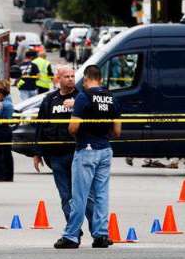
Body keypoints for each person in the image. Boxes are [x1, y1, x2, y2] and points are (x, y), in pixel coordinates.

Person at [54, 65, 121, 249]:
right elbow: (117, 131)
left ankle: (71, 236)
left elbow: (73, 127)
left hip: (86, 150)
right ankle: (101, 235)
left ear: (86, 79)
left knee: (79, 196)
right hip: (105, 150)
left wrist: (78, 135)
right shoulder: (111, 97)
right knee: (101, 195)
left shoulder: (84, 97)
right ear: (100, 78)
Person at [33, 66, 94, 234]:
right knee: (65, 195)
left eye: (73, 76)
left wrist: (77, 105)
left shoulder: (83, 97)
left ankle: (97, 230)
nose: (70, 79)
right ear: (58, 79)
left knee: (84, 194)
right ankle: (73, 228)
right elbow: (40, 126)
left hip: (77, 152)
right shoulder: (49, 99)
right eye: (66, 76)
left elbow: (94, 119)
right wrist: (37, 152)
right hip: (56, 155)